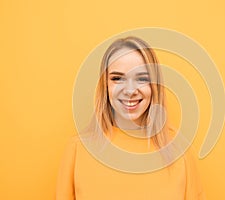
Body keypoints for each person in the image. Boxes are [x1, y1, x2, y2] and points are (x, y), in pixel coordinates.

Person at [56, 36, 206, 200]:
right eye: (117, 78)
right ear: (105, 85)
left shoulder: (180, 152)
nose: (129, 90)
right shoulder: (78, 150)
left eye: (141, 78)